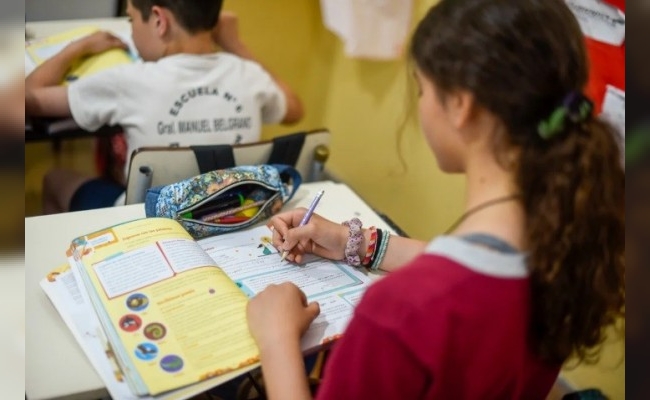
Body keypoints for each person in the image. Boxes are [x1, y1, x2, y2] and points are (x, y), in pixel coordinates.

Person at [246, 0, 625, 399]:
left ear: (461, 105)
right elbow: (472, 279)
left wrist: (277, 341)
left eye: (423, 88)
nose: (420, 104)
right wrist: (350, 241)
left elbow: (446, 294)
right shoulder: (566, 246)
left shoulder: (399, 313)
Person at [25, 0, 303, 214]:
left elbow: (29, 98)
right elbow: (294, 110)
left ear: (159, 20)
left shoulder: (129, 80)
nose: (132, 34)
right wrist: (235, 43)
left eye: (132, 20)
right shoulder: (249, 75)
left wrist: (79, 47)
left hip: (147, 222)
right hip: (232, 211)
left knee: (54, 179)